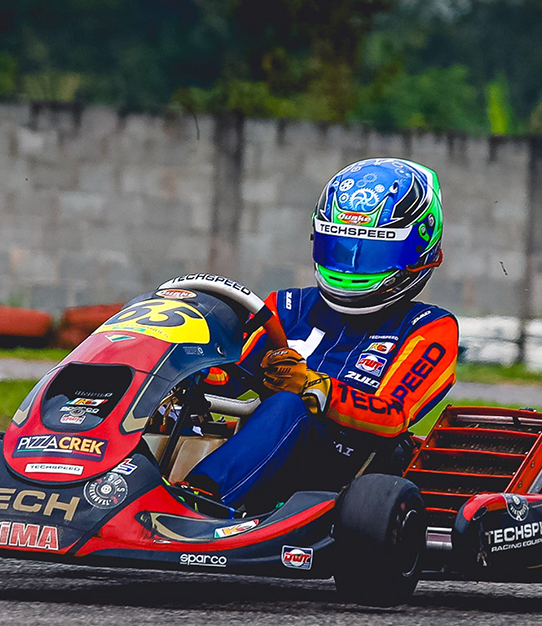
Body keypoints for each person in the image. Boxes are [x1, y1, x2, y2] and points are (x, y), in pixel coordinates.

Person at [185, 158, 459, 512]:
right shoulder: (285, 307)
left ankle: (197, 500)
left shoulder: (428, 327)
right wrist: (184, 374)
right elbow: (230, 378)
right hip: (266, 453)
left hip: (349, 472)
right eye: (341, 249)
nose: (352, 267)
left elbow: (392, 415)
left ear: (418, 248)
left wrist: (314, 387)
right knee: (177, 403)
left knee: (287, 405)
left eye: (374, 252)